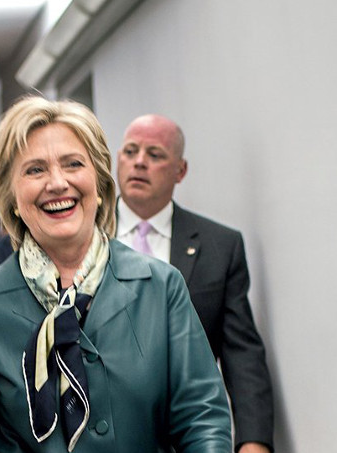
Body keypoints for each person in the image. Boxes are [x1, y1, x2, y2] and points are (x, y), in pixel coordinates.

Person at [0, 97, 231, 452]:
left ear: (99, 184)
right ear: (12, 197)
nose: (57, 183)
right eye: (35, 170)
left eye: (73, 164)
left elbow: (202, 419)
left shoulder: (160, 288)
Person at [116, 114, 274, 453]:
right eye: (130, 151)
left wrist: (253, 441)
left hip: (188, 433)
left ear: (180, 170)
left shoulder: (220, 246)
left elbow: (241, 351)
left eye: (155, 154)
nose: (139, 162)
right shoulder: (85, 237)